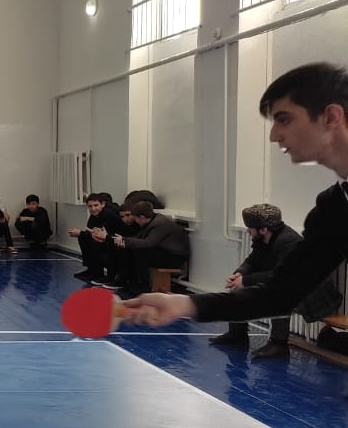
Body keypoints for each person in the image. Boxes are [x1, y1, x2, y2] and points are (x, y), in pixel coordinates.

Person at [125, 63, 348, 368]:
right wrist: (183, 303)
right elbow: (279, 294)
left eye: (284, 119)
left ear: (331, 117)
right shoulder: (333, 209)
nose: (274, 135)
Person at [209, 203, 312, 359]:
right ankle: (237, 333)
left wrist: (246, 280)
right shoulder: (265, 239)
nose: (248, 231)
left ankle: (279, 344)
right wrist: (239, 274)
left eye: (250, 228)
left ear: (263, 229)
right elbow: (252, 261)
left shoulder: (289, 242)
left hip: (312, 292)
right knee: (239, 287)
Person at [109, 200, 189, 296]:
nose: (136, 221)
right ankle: (131, 283)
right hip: (165, 252)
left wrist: (125, 241)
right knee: (131, 249)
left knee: (140, 252)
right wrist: (123, 240)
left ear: (142, 217)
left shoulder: (160, 224)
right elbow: (139, 238)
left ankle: (143, 286)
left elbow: (149, 243)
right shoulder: (153, 221)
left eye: (136, 219)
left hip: (174, 257)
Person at [69, 192, 122, 284]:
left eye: (96, 205)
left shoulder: (108, 215)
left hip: (115, 240)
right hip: (107, 238)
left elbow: (103, 235)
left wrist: (80, 233)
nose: (93, 208)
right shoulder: (94, 215)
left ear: (103, 204)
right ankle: (92, 269)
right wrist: (82, 234)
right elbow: (90, 231)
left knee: (97, 242)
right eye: (90, 206)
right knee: (84, 238)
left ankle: (108, 275)